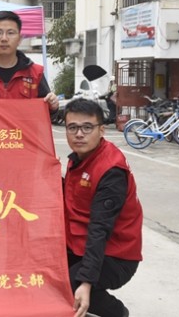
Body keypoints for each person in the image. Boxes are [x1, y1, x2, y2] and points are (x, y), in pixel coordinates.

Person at [63, 98, 142, 317]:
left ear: (101, 130)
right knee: (46, 271)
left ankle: (117, 312)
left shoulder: (111, 171)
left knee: (69, 284)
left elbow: (100, 229)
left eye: (87, 127)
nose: (79, 134)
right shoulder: (80, 158)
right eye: (72, 127)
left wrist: (86, 281)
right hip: (80, 244)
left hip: (116, 255)